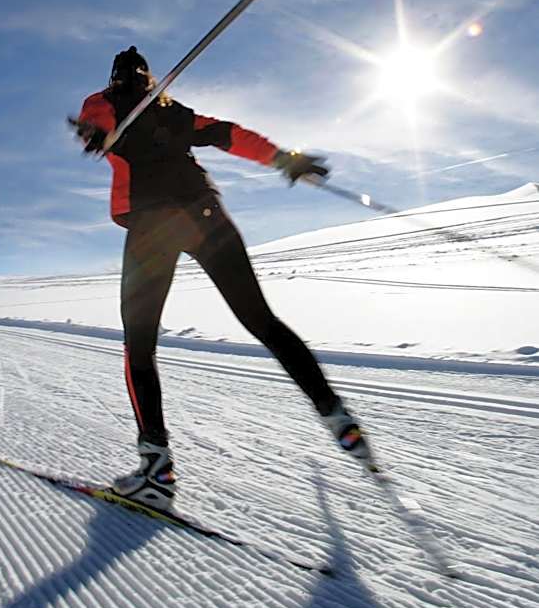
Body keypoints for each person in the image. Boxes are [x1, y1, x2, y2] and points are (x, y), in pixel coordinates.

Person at [73, 46, 373, 509]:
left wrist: (95, 130)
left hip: (155, 225)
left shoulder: (112, 102)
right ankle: (337, 416)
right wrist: (283, 158)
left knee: (139, 344)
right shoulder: (172, 112)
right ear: (147, 77)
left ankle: (156, 467)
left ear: (116, 78)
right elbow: (229, 135)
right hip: (205, 214)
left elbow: (98, 118)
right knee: (261, 320)